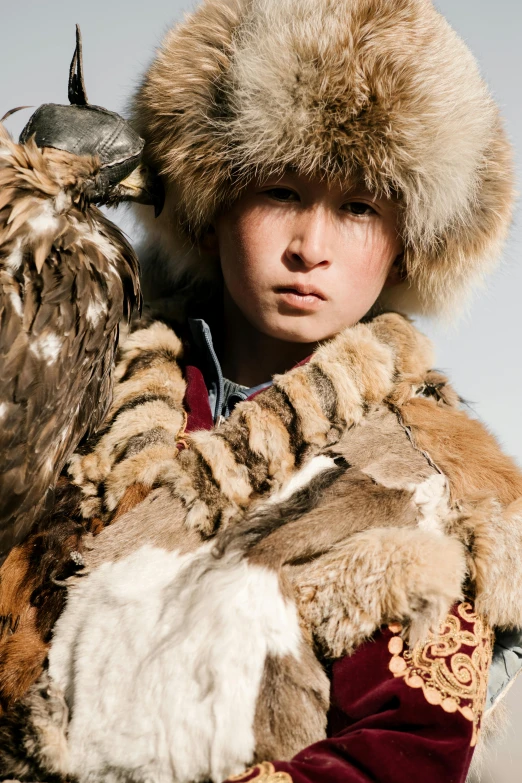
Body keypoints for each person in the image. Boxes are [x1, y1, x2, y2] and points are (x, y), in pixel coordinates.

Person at [0, 1, 521, 782]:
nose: (310, 247)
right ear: (210, 209)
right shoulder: (79, 394)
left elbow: (405, 747)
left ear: (406, 244)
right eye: (280, 192)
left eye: (356, 207)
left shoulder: (432, 479)